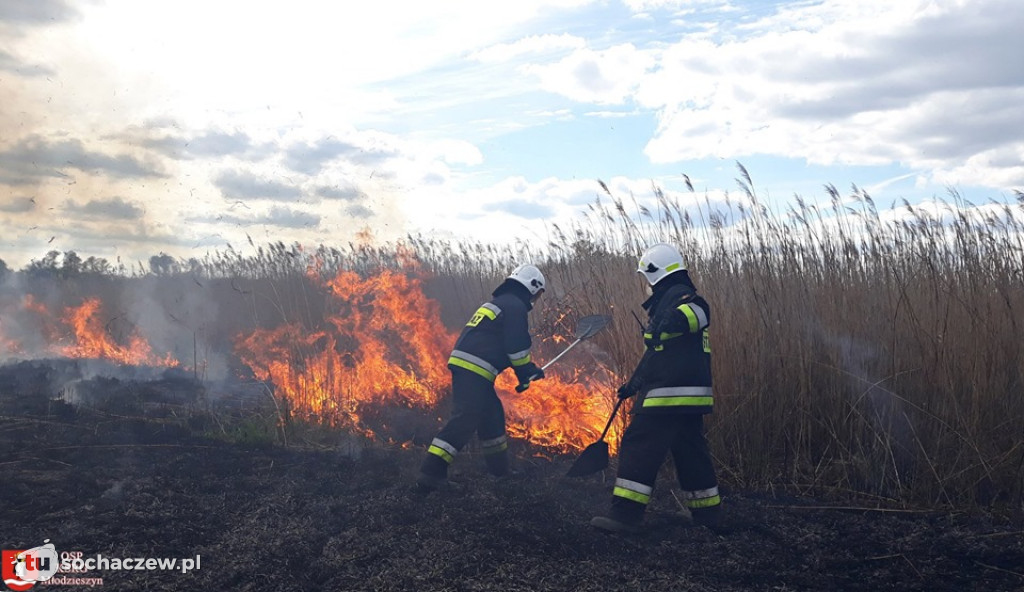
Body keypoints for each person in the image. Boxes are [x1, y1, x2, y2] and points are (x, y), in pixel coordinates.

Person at [590, 243, 722, 533]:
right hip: (684, 398)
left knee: (639, 444)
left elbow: (695, 316)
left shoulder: (689, 301)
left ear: (655, 274)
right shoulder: (669, 304)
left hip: (668, 396)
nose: (646, 285)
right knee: (690, 451)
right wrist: (634, 384)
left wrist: (664, 323)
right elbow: (656, 355)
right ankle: (708, 515)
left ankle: (625, 515)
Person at [417, 264, 547, 490]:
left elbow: (499, 343)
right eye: (538, 294)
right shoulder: (515, 306)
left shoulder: (500, 303)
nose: (536, 299)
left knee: (492, 415)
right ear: (532, 287)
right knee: (465, 419)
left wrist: (525, 371)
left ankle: (500, 472)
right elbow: (516, 346)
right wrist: (527, 370)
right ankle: (431, 473)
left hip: (470, 367)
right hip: (474, 368)